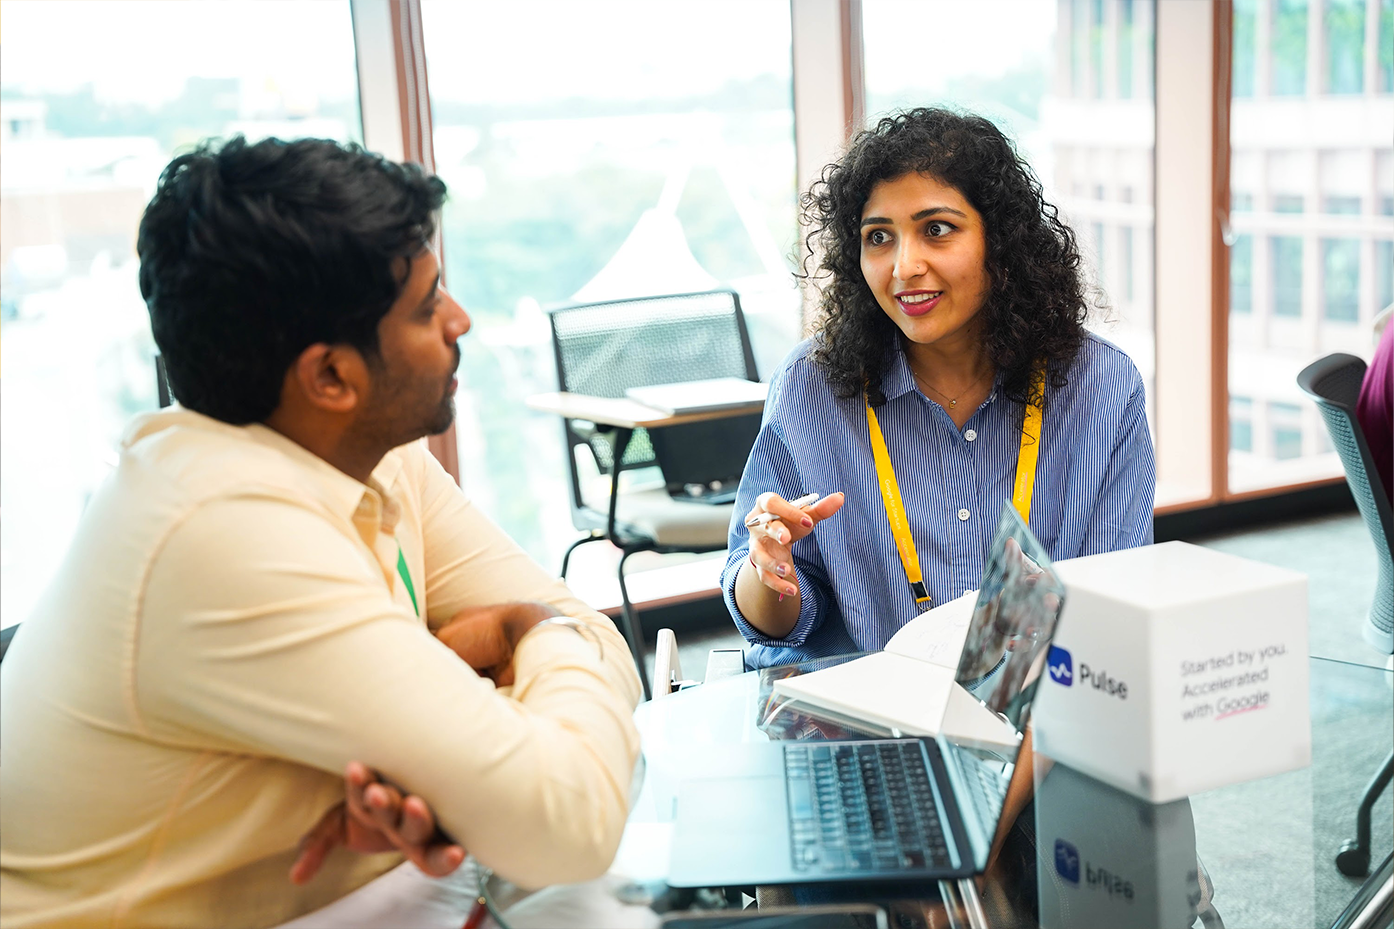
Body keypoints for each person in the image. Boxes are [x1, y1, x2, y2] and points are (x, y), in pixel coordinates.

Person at [0, 136, 642, 929]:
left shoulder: (359, 455)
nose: (460, 319)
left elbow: (610, 660)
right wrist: (529, 630)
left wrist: (448, 727)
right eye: (427, 304)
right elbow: (571, 821)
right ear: (330, 377)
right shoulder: (217, 528)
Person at [724, 108, 1156, 668]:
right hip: (864, 719)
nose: (905, 266)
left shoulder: (1101, 385)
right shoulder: (813, 385)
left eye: (937, 229)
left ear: (999, 241)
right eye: (879, 237)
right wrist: (771, 571)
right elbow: (774, 624)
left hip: (1041, 706)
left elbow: (1112, 608)